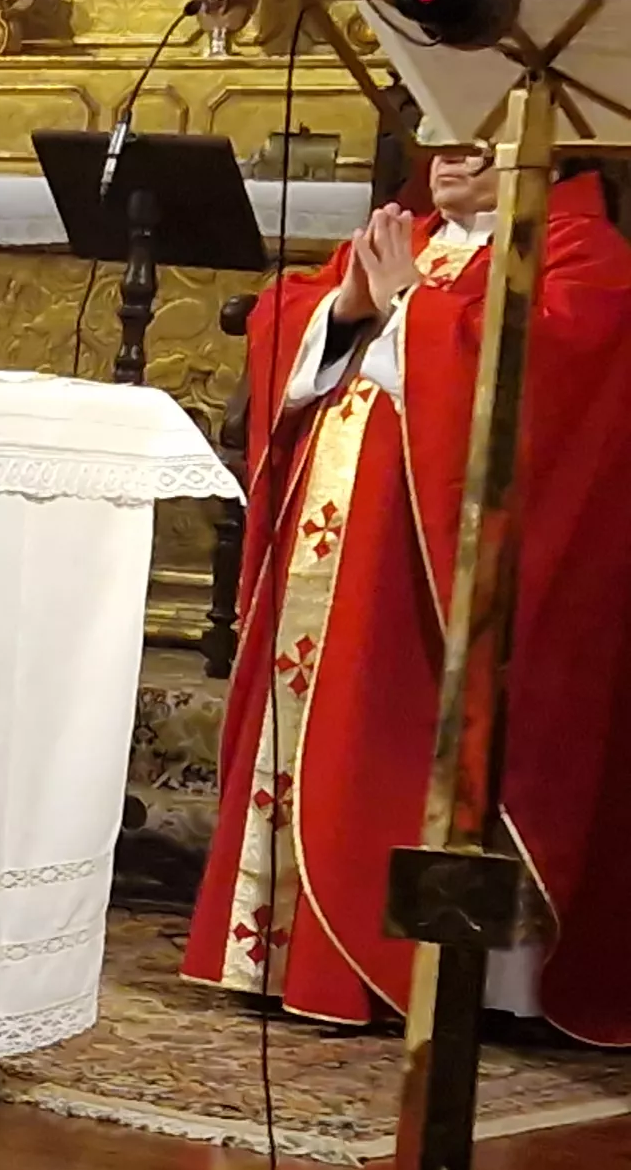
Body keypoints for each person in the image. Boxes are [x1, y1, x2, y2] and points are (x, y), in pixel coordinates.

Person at [187, 136, 631, 1044]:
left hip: (439, 585)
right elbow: (297, 308)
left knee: (392, 742)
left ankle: (452, 975)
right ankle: (284, 950)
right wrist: (352, 305)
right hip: (344, 557)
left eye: (479, 140)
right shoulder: (411, 235)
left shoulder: (586, 253)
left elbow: (550, 381)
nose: (448, 158)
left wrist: (410, 313)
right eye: (440, 135)